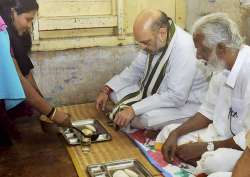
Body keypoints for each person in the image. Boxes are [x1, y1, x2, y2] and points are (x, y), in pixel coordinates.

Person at [157, 13, 249, 176]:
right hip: (217, 135)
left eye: (203, 50)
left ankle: (201, 161)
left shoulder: (247, 70)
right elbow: (207, 111)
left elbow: (246, 138)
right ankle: (197, 160)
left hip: (242, 147)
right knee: (168, 132)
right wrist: (175, 133)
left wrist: (208, 146)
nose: (198, 56)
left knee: (213, 162)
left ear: (221, 48)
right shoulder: (220, 67)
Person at [96, 9, 209, 130]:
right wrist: (107, 89)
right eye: (140, 43)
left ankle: (119, 112)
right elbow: (135, 69)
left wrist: (134, 109)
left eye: (145, 43)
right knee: (114, 93)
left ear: (162, 33)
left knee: (145, 118)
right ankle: (120, 111)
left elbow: (176, 97)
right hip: (156, 92)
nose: (142, 47)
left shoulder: (184, 48)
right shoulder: (156, 39)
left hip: (185, 103)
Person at [0, 0, 71, 146]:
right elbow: (17, 80)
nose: (29, 25)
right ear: (13, 11)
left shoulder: (11, 34)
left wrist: (44, 102)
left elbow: (25, 72)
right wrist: (52, 113)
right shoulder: (2, 32)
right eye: (28, 19)